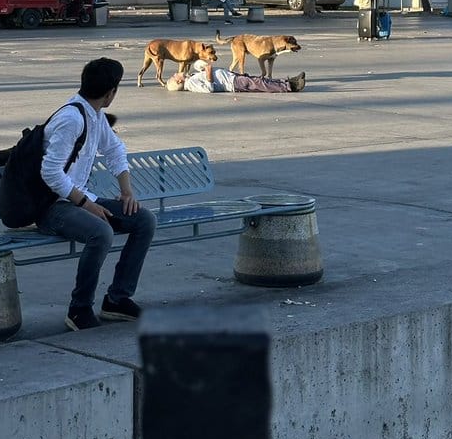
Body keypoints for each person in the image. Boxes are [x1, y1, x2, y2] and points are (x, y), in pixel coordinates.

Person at [37, 57, 156, 331]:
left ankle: (117, 299)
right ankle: (79, 309)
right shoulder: (71, 119)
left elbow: (114, 149)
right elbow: (51, 173)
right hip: (51, 205)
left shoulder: (95, 115)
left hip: (80, 199)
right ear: (110, 92)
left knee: (144, 220)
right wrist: (87, 204)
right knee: (101, 232)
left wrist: (126, 191)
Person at [167, 62, 307, 93]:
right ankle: (291, 86)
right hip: (232, 83)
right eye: (175, 76)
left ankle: (290, 81)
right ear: (179, 81)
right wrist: (208, 71)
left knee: (260, 81)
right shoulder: (191, 84)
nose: (176, 73)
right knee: (260, 83)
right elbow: (209, 89)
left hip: (232, 78)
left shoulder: (191, 77)